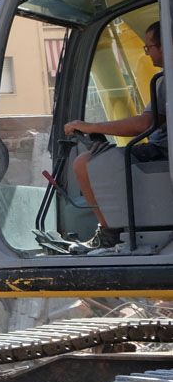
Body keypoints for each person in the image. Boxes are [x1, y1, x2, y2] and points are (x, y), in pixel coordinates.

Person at [64, 21, 166, 251]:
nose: (147, 52)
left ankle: (109, 232)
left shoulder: (165, 81)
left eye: (149, 46)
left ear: (165, 45)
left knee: (84, 164)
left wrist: (90, 126)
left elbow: (144, 123)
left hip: (163, 152)